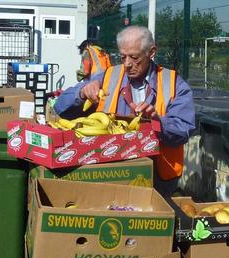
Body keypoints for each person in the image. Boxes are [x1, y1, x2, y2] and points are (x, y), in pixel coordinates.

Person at [55, 26, 196, 197]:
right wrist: (82, 92)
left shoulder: (174, 84)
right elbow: (60, 107)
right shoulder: (109, 76)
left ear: (151, 52)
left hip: (157, 180)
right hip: (110, 173)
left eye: (134, 57)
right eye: (123, 57)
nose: (127, 64)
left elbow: (183, 129)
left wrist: (156, 120)